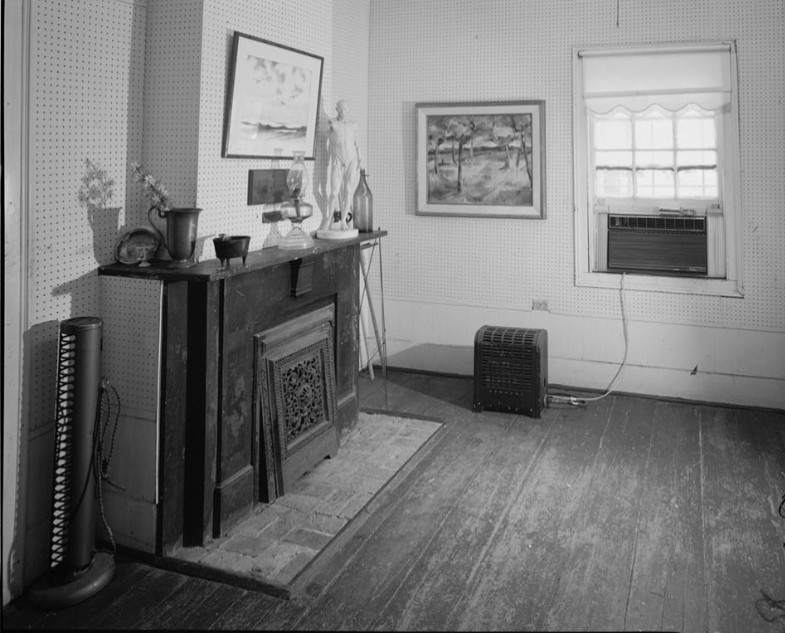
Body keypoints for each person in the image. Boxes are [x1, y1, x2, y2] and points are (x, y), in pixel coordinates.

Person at [327, 100, 361, 230]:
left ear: (347, 110)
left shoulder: (353, 125)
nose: (342, 112)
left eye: (345, 109)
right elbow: (330, 140)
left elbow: (357, 144)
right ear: (337, 110)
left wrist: (360, 159)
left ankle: (343, 220)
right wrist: (332, 125)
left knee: (348, 190)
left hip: (352, 160)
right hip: (338, 160)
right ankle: (329, 220)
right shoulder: (333, 124)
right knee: (334, 191)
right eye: (340, 110)